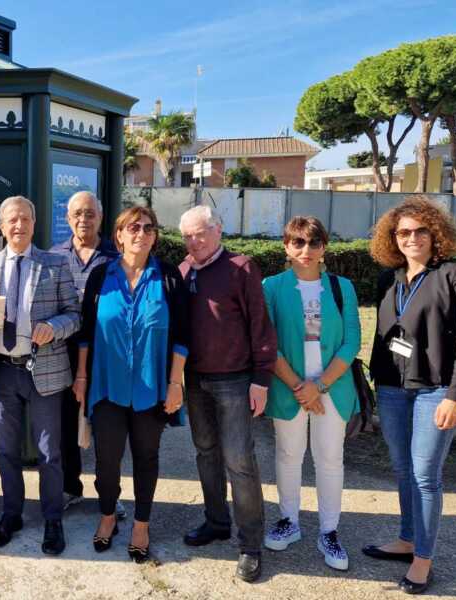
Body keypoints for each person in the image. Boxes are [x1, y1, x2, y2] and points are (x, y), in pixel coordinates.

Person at [363, 195, 456, 595]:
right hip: (394, 390)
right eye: (403, 232)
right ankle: (407, 538)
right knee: (402, 471)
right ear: (392, 238)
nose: (411, 238)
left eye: (420, 231)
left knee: (425, 477)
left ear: (435, 234)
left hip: (435, 390)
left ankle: (423, 560)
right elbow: (387, 337)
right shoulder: (389, 279)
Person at [0, 195, 81, 556]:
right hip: (2, 371)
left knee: (49, 453)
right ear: (1, 226)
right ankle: (12, 514)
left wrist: (54, 327)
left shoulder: (55, 264)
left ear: (33, 224)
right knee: (7, 452)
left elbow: (74, 314)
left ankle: (52, 518)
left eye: (25, 220)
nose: (18, 226)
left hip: (44, 370)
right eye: (12, 220)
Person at [72, 206, 188, 563]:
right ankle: (108, 515)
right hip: (107, 387)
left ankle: (141, 524)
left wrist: (175, 383)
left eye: (148, 228)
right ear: (119, 235)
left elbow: (183, 334)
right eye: (133, 227)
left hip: (152, 388)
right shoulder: (100, 276)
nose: (141, 233)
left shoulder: (168, 277)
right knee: (106, 461)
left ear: (155, 235)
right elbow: (86, 333)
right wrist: (81, 375)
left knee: (146, 458)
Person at [177, 205, 276, 583]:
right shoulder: (184, 271)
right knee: (206, 454)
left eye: (200, 233)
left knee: (239, 460)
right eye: (187, 235)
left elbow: (260, 324)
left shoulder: (241, 267)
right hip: (196, 380)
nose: (194, 241)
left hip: (235, 380)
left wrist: (261, 379)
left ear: (217, 230)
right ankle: (216, 521)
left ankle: (251, 543)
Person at [261, 216, 360, 571]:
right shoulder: (271, 286)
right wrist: (300, 388)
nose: (306, 250)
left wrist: (318, 386)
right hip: (289, 387)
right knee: (289, 455)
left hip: (332, 388)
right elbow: (267, 343)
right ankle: (289, 521)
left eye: (313, 243)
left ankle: (329, 532)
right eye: (298, 242)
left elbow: (351, 342)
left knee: (330, 459)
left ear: (324, 248)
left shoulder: (341, 287)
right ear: (286, 247)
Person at [48, 191, 124, 518]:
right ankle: (70, 487)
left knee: (109, 426)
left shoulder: (116, 256)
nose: (84, 219)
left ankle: (110, 493)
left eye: (90, 213)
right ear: (67, 218)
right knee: (65, 422)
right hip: (62, 352)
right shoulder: (53, 256)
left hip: (107, 353)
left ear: (101, 217)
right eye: (77, 213)